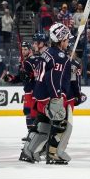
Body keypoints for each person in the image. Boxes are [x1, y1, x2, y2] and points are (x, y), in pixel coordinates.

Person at [20, 23, 72, 165]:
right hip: (50, 96)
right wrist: (56, 97)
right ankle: (54, 153)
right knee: (61, 121)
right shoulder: (60, 56)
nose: (68, 42)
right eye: (67, 39)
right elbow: (53, 77)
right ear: (61, 39)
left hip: (40, 94)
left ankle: (28, 151)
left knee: (42, 123)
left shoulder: (47, 52)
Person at [4, 42, 36, 141]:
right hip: (27, 91)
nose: (23, 51)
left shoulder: (34, 60)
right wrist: (12, 79)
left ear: (30, 50)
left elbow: (38, 75)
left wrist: (30, 76)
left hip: (35, 90)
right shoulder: (22, 62)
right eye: (22, 49)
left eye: (25, 49)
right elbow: (21, 77)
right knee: (27, 112)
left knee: (35, 113)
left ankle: (37, 135)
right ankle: (30, 134)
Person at [65, 43, 82, 111]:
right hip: (70, 95)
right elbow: (75, 81)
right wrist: (77, 94)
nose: (76, 54)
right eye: (75, 52)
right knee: (68, 118)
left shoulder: (60, 61)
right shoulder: (74, 65)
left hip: (59, 95)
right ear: (70, 52)